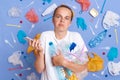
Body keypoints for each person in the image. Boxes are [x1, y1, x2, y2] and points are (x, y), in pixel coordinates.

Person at [28, 4, 88, 80]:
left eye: (66, 18)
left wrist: (64, 62)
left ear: (70, 22)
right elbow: (39, 70)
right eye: (58, 16)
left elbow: (83, 68)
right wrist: (40, 53)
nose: (62, 20)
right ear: (53, 19)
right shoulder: (45, 36)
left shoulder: (76, 37)